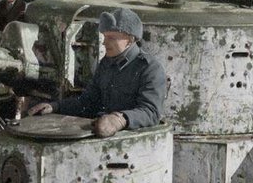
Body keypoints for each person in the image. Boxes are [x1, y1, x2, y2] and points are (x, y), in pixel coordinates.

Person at [29, 8, 164, 138]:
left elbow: (151, 112)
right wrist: (55, 106)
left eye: (111, 37)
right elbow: (87, 102)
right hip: (99, 135)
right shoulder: (106, 63)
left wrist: (120, 120)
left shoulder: (149, 68)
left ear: (129, 40)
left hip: (129, 141)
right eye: (104, 37)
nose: (104, 42)